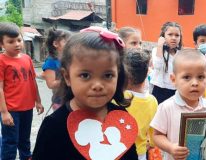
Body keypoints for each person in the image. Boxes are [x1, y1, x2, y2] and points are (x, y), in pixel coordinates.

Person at [32, 27, 138, 160]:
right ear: (67, 77)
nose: (98, 85)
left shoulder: (122, 119)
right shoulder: (54, 126)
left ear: (118, 75)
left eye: (108, 75)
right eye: (85, 75)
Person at [0, 22, 44, 160]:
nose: (17, 44)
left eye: (19, 40)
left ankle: (26, 157)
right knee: (10, 141)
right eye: (11, 41)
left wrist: (38, 101)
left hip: (27, 107)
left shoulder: (27, 59)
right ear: (1, 44)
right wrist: (4, 112)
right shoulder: (2, 61)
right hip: (11, 109)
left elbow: (33, 81)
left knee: (24, 139)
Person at [124, 49, 158, 160]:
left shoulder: (121, 99)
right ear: (147, 72)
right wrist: (152, 143)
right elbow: (154, 129)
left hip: (121, 151)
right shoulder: (152, 100)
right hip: (141, 152)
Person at [150, 22, 183, 104]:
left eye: (177, 35)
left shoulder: (180, 54)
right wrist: (160, 46)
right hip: (160, 90)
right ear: (163, 36)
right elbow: (158, 66)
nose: (174, 38)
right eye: (170, 34)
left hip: (176, 91)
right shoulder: (157, 50)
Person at [42, 28, 71, 111]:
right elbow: (51, 84)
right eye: (66, 42)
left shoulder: (68, 58)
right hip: (60, 101)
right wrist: (71, 79)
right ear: (55, 44)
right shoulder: (50, 62)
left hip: (71, 98)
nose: (70, 45)